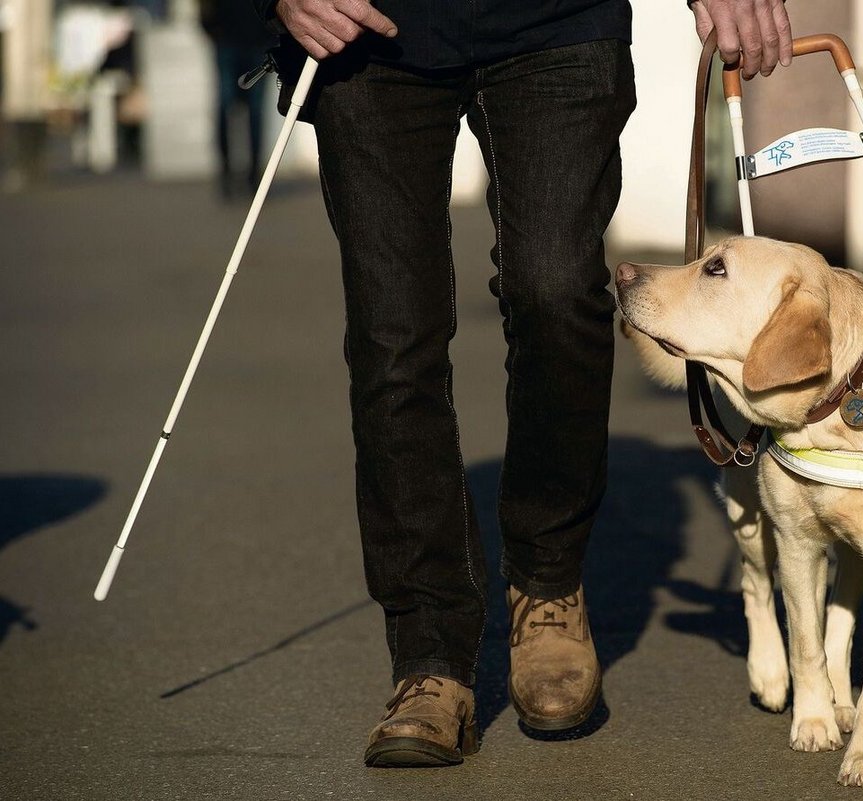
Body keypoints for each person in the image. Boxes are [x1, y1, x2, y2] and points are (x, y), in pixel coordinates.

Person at [255, 0, 793, 766]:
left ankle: (547, 588)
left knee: (558, 292)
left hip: (556, 21)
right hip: (366, 35)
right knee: (391, 338)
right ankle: (429, 654)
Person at [201, 0, 274, 197]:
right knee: (226, 107)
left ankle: (254, 177)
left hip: (257, 44)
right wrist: (213, 30)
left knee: (255, 113)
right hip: (228, 42)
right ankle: (226, 173)